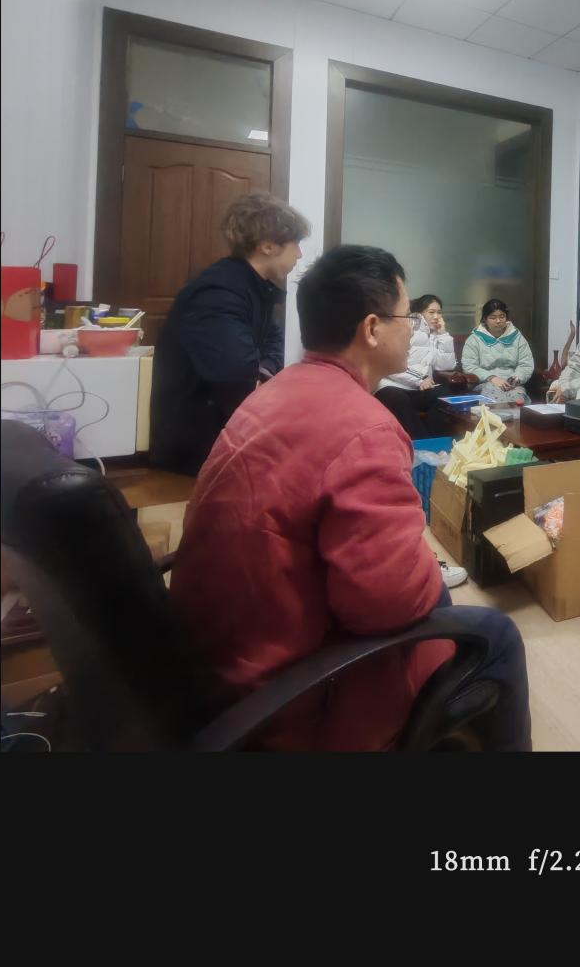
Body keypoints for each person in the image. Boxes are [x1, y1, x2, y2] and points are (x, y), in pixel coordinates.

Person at [169, 245, 531, 751]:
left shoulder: (272, 393)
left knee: (440, 595)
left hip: (216, 666)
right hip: (287, 695)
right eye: (406, 317)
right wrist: (423, 569)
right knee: (495, 633)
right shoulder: (364, 427)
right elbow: (389, 606)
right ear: (372, 328)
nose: (412, 328)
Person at [150, 192, 309, 475]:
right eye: (295, 243)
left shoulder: (253, 287)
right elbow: (235, 374)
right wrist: (259, 377)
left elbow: (274, 340)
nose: (299, 254)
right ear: (268, 246)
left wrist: (263, 371)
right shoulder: (219, 290)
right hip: (196, 443)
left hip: (224, 429)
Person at [374, 293, 456, 438]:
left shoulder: (435, 335)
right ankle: (422, 442)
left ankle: (432, 441)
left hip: (420, 389)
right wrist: (420, 379)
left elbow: (446, 365)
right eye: (431, 312)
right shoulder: (408, 328)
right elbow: (390, 365)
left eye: (439, 313)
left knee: (445, 394)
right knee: (396, 398)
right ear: (419, 313)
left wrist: (443, 334)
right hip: (393, 386)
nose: (436, 317)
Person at [460, 298, 535, 405]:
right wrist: (491, 378)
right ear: (485, 319)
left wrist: (516, 378)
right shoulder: (474, 339)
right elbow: (469, 366)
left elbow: (526, 364)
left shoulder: (517, 337)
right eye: (493, 317)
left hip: (512, 384)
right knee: (494, 402)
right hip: (485, 383)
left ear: (506, 318)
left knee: (517, 401)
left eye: (502, 316)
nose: (498, 321)